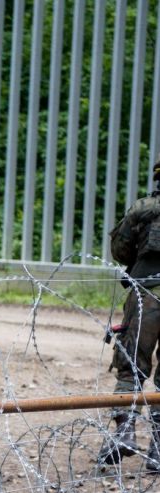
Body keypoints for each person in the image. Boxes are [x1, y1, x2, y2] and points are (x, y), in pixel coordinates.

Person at [100, 155, 160, 471]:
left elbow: (121, 251)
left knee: (131, 368)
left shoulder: (142, 209)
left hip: (146, 294)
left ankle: (125, 434)